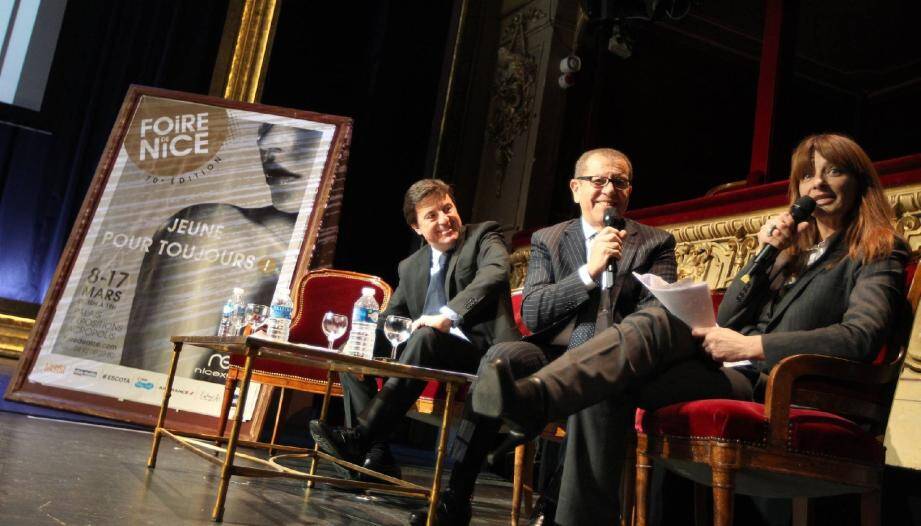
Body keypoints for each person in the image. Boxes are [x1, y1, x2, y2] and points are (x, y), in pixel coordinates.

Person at [472, 134, 908, 525]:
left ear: (859, 182)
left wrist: (753, 345)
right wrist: (763, 255)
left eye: (833, 171)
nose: (818, 184)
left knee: (630, 350)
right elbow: (732, 315)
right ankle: (543, 417)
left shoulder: (878, 249)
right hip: (732, 370)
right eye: (808, 175)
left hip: (780, 385)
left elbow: (860, 337)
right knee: (638, 342)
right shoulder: (790, 252)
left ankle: (537, 398)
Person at [412, 148, 678, 526]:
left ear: (629, 191)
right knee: (501, 357)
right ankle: (456, 496)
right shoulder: (548, 240)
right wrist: (588, 271)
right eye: (598, 180)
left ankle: (551, 506)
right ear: (575, 188)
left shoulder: (655, 243)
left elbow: (657, 315)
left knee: (595, 369)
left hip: (612, 361)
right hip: (553, 351)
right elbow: (534, 312)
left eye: (619, 182)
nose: (608, 190)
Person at [308, 179, 520, 499]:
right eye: (431, 216)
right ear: (416, 227)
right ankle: (377, 460)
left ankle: (361, 438)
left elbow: (495, 273)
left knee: (425, 337)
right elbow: (393, 318)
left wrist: (448, 314)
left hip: (483, 353)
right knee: (355, 359)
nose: (444, 219)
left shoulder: (483, 236)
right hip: (429, 349)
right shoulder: (411, 266)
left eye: (447, 209)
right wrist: (359, 342)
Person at [120, 122, 322, 379]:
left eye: (306, 129)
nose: (267, 141)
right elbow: (156, 390)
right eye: (266, 126)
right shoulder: (220, 228)